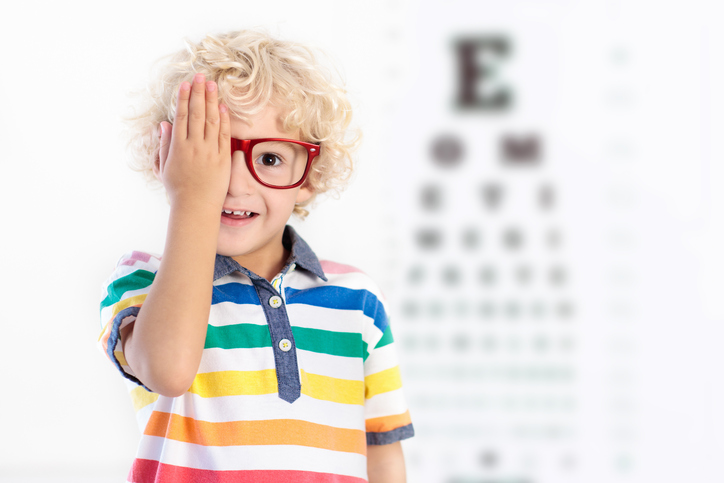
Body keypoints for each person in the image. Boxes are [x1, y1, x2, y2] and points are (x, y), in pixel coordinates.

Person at [97, 30, 413, 482]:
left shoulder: (357, 299)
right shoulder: (142, 281)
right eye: (213, 154)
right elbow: (167, 371)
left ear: (309, 174)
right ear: (166, 159)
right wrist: (192, 198)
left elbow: (381, 448)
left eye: (268, 159)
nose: (235, 184)